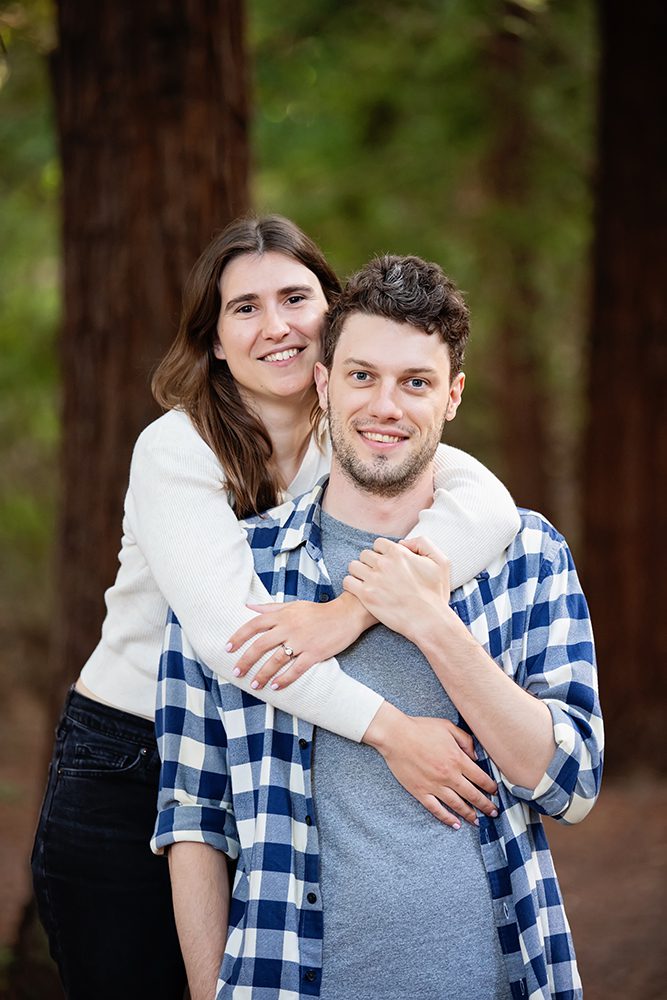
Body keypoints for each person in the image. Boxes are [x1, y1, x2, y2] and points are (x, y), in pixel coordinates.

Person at [31, 217, 520, 1000]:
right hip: (134, 758)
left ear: (331, 314)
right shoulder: (177, 449)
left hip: (269, 754)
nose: (277, 326)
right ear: (215, 340)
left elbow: (490, 508)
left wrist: (351, 613)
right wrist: (394, 733)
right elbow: (239, 646)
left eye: (295, 297)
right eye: (244, 308)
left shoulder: (357, 432)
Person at [154, 253, 604, 1000]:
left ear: (452, 396)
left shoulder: (527, 555)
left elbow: (571, 785)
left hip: (497, 979)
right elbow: (193, 817)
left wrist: (431, 623)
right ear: (324, 383)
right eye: (361, 376)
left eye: (415, 382)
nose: (384, 406)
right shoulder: (234, 575)